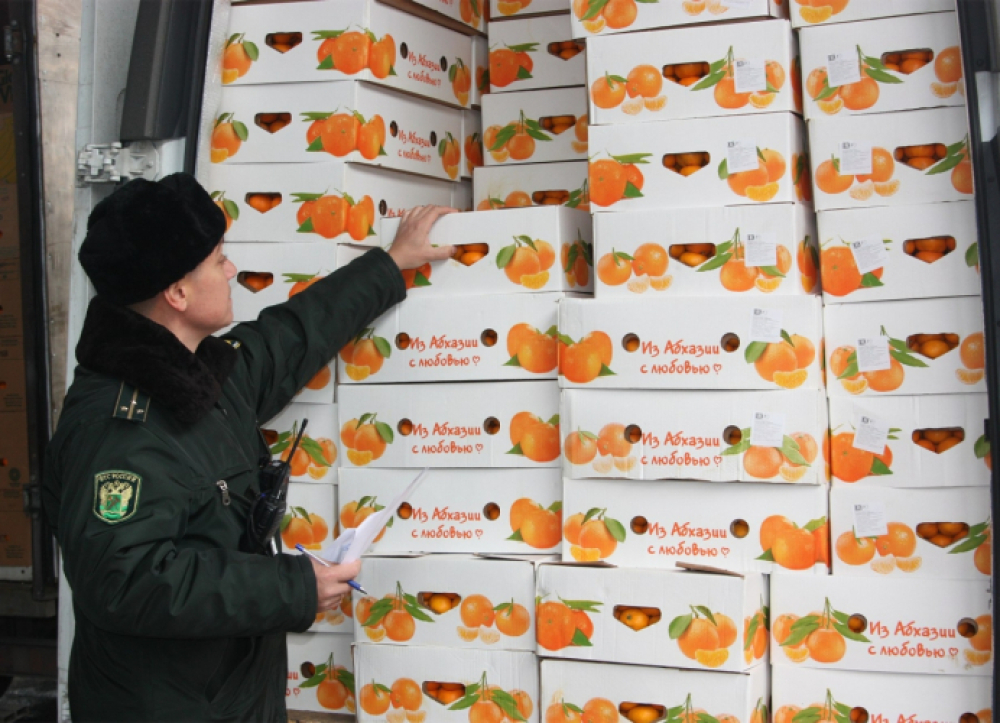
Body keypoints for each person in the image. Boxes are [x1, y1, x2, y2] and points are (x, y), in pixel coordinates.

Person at [40, 173, 455, 722]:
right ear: (178, 293)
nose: (232, 269)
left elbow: (288, 337)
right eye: (218, 261)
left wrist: (390, 263)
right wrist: (291, 589)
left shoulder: (198, 376)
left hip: (228, 698)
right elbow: (126, 579)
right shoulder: (119, 429)